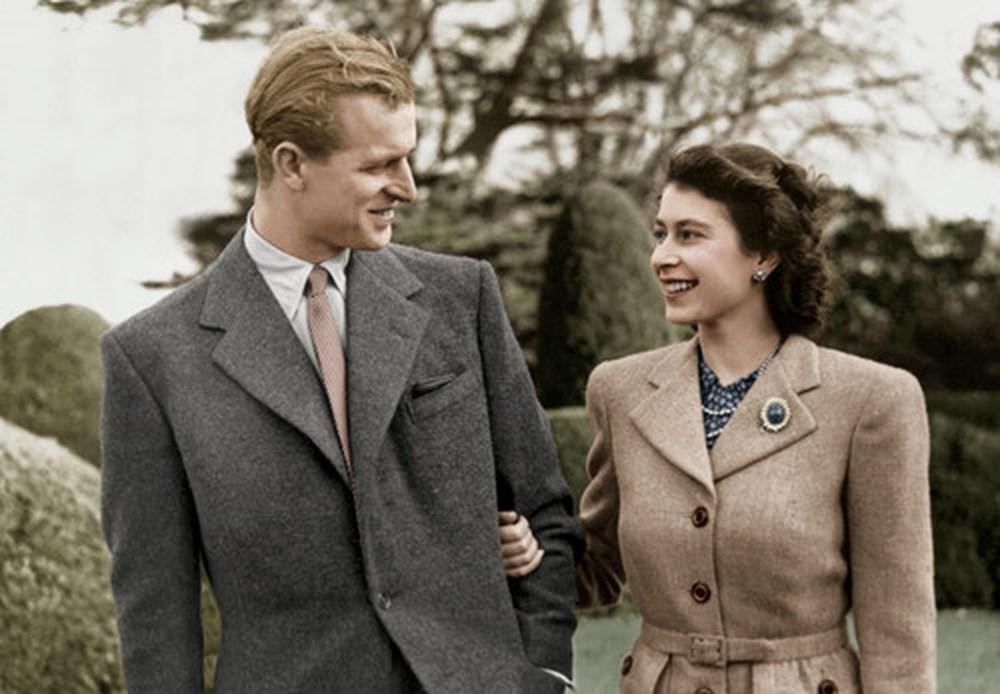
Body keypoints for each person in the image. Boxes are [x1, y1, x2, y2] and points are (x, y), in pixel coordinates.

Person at [100, 26, 579, 693]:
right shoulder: (152, 358)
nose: (407, 187)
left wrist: (545, 673)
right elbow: (156, 618)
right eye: (380, 165)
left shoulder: (461, 297)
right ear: (292, 164)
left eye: (408, 159)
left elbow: (546, 513)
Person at [503, 143, 936, 693]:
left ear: (764, 255)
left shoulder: (872, 401)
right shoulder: (619, 391)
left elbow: (897, 630)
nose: (661, 256)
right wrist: (529, 554)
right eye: (660, 234)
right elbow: (599, 567)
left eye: (689, 235)